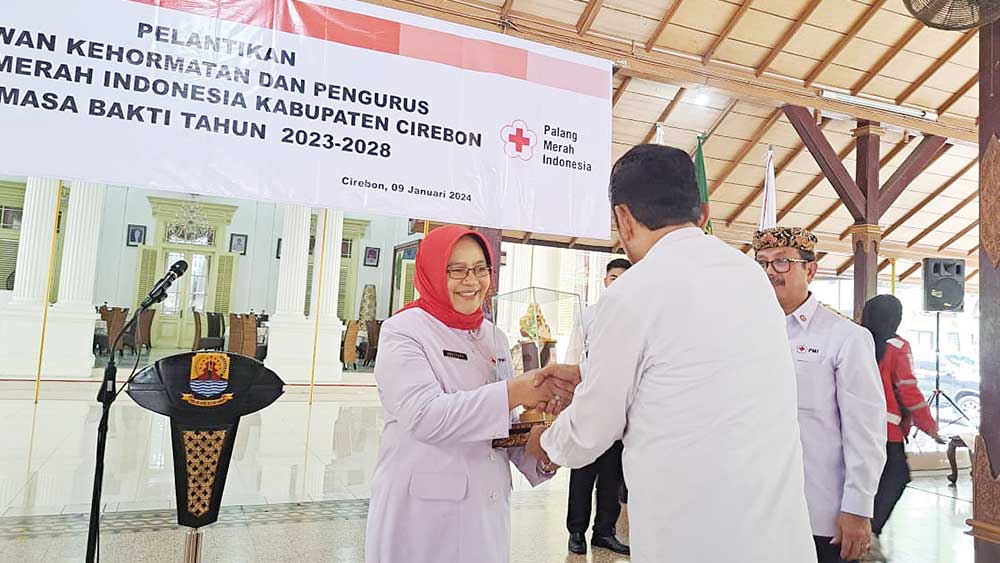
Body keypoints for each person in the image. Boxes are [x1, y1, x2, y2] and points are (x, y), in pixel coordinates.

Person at [526, 144, 816, 563]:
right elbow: (693, 373)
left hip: (695, 537)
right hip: (776, 533)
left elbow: (592, 429)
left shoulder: (631, 293)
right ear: (702, 212)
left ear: (624, 218)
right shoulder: (751, 277)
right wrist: (590, 375)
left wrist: (545, 444)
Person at [364, 225, 573, 563]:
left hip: (485, 512)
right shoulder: (404, 331)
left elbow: (500, 428)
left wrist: (543, 446)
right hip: (423, 517)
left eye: (480, 269)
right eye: (457, 270)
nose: (472, 281)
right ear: (433, 271)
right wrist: (516, 390)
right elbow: (426, 416)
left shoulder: (495, 337)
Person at [753, 227, 887, 563]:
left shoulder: (845, 337)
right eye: (762, 263)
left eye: (782, 262)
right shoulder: (747, 332)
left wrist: (858, 508)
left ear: (810, 270)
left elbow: (865, 431)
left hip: (818, 510)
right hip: (756, 506)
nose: (770, 272)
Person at [860, 294, 940, 562]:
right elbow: (908, 389)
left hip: (857, 427)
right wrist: (929, 426)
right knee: (896, 478)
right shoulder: (897, 346)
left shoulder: (858, 342)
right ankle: (869, 533)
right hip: (887, 430)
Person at [562, 258, 632, 556]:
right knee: (583, 469)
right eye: (613, 277)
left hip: (618, 408)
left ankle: (605, 531)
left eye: (624, 278)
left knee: (611, 473)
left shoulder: (636, 318)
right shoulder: (588, 315)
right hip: (587, 405)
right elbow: (572, 357)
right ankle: (576, 532)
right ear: (605, 281)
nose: (618, 282)